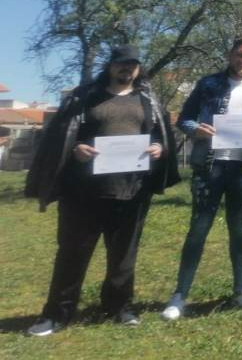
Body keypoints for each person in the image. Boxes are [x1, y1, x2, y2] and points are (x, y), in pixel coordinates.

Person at [25, 45, 179, 336]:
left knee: (123, 256)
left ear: (138, 68)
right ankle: (57, 314)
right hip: (83, 192)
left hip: (132, 190)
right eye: (121, 64)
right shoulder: (84, 97)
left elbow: (160, 135)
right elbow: (59, 135)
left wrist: (159, 147)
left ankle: (119, 307)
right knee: (72, 254)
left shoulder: (148, 100)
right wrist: (74, 149)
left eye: (132, 65)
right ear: (110, 66)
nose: (127, 69)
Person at [161, 39, 242, 320]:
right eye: (240, 55)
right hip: (209, 167)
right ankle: (180, 295)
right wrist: (196, 130)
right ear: (230, 56)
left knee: (239, 231)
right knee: (198, 229)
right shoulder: (208, 84)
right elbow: (184, 120)